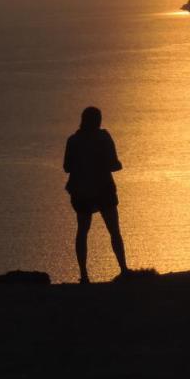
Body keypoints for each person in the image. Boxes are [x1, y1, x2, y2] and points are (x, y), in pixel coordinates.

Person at [63, 106, 129, 284]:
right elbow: (114, 164)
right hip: (103, 189)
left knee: (83, 231)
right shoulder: (104, 138)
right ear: (98, 121)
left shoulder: (73, 141)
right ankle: (124, 269)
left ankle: (84, 275)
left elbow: (66, 167)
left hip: (81, 191)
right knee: (114, 231)